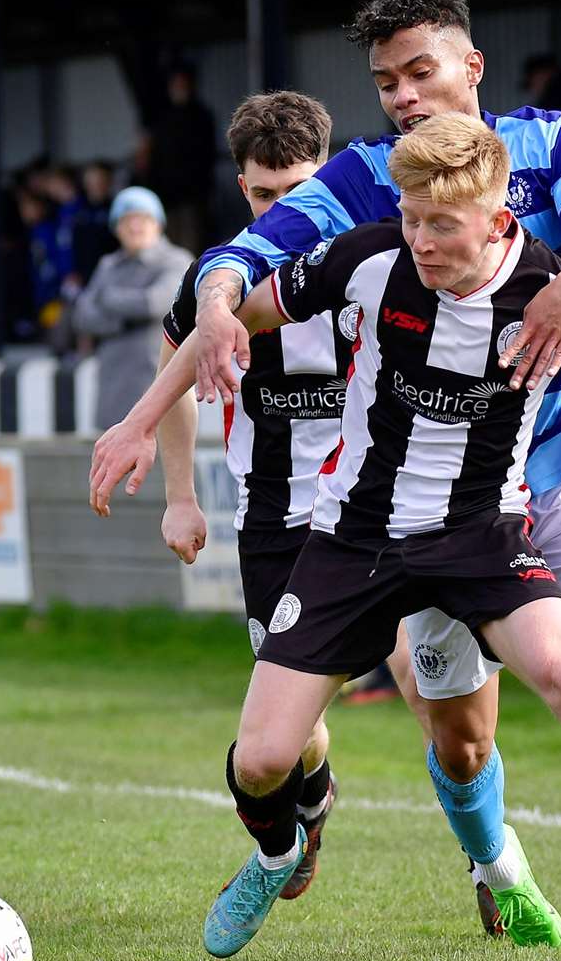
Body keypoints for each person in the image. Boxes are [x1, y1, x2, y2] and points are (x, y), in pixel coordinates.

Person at [94, 114, 561, 961]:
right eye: (410, 218)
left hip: (480, 536)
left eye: (440, 224)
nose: (419, 240)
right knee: (264, 759)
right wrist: (139, 422)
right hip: (351, 541)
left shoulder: (552, 293)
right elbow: (236, 306)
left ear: (499, 221)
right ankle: (280, 850)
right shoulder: (366, 258)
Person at [155, 90, 423, 905]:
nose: (282, 209)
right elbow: (168, 385)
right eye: (265, 194)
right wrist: (179, 499)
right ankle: (313, 799)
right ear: (243, 189)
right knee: (295, 731)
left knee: (431, 684)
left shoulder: (385, 260)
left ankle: (491, 861)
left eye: (298, 191)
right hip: (274, 519)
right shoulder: (218, 281)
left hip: (386, 506)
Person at [70, 187, 191, 428]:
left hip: (157, 385)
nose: (135, 227)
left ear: (158, 224)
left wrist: (108, 298)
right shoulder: (108, 265)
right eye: (127, 221)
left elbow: (154, 303)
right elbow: (82, 316)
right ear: (116, 228)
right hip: (112, 388)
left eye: (143, 219)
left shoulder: (177, 261)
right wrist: (123, 321)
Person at [145, 63, 217, 255]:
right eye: (175, 84)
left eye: (182, 84)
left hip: (192, 196)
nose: (179, 88)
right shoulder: (162, 117)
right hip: (166, 195)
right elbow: (154, 155)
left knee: (190, 246)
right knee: (166, 244)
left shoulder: (201, 116)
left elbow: (206, 157)